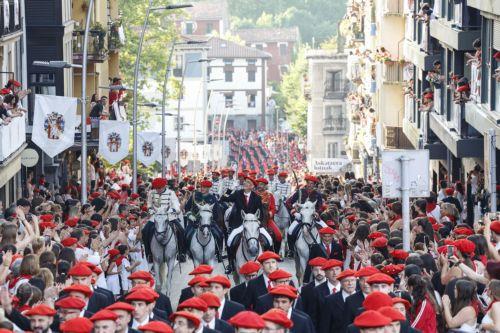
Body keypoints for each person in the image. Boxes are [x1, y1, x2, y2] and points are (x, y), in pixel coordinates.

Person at [143, 177, 186, 262]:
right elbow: (149, 204)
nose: (157, 190)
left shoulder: (171, 193)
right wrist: (151, 210)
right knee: (145, 231)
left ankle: (181, 253)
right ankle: (149, 254)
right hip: (155, 217)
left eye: (159, 188)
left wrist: (173, 210)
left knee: (181, 231)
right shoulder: (151, 193)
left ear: (164, 186)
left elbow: (176, 205)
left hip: (169, 217)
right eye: (156, 188)